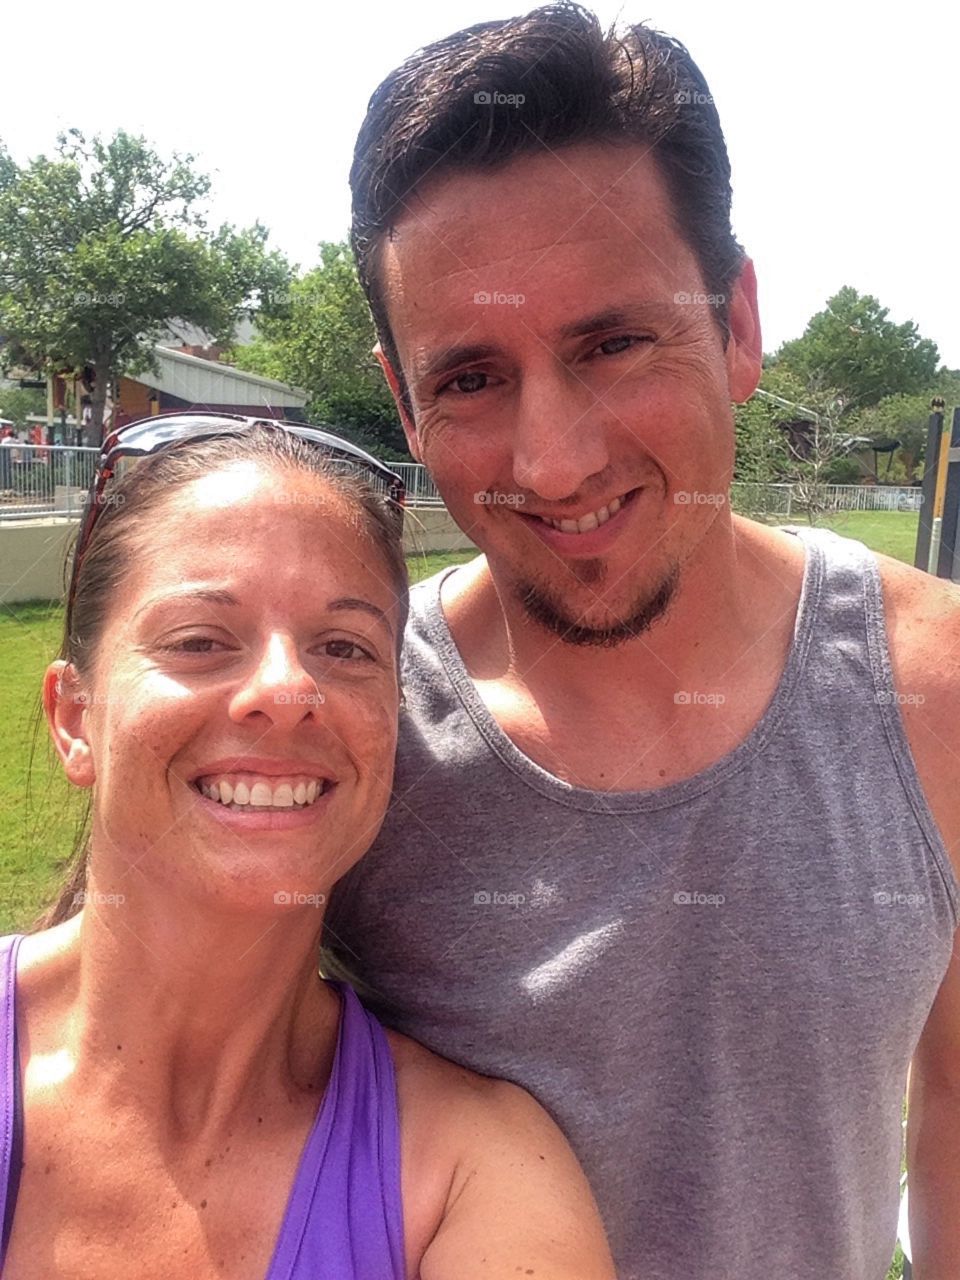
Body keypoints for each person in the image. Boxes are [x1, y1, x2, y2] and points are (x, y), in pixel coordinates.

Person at [323, 7, 960, 1279]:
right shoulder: (344, 730)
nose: (553, 460)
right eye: (469, 379)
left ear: (736, 324)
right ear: (402, 397)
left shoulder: (936, 692)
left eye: (613, 343)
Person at [0, 413, 616, 1280]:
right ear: (74, 720)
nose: (287, 690)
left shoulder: (477, 1176)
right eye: (201, 641)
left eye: (344, 647)